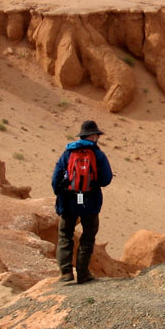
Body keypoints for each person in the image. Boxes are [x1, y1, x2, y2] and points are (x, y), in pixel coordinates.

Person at [51, 120, 113, 284]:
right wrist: (92, 183)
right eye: (97, 135)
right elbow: (106, 179)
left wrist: (60, 194)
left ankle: (65, 273)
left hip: (68, 201)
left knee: (65, 236)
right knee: (87, 237)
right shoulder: (98, 154)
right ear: (93, 136)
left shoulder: (68, 152)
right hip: (90, 203)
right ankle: (83, 273)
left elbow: (56, 177)